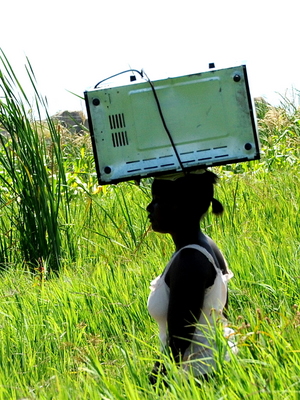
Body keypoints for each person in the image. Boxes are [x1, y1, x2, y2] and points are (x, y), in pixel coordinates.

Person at [146, 169, 236, 383]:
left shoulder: (190, 261)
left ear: (180, 205)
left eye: (158, 200)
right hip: (214, 366)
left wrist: (155, 382)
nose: (149, 208)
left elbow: (179, 340)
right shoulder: (204, 245)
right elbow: (220, 313)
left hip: (199, 377)